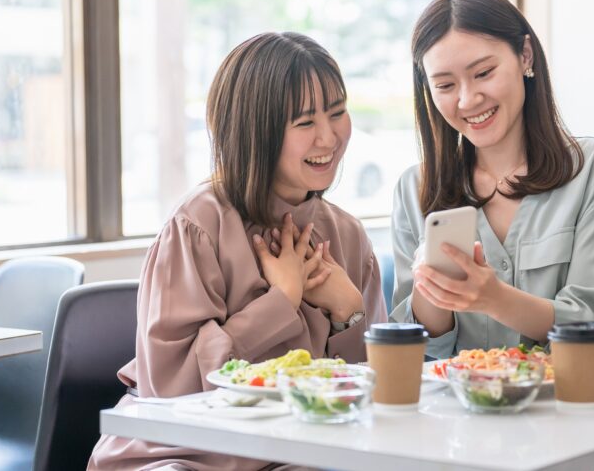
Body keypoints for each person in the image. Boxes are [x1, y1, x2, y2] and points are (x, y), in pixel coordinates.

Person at [390, 0, 594, 470]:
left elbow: (590, 327)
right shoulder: (416, 189)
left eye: (484, 72)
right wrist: (434, 292)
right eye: (445, 85)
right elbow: (425, 352)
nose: (468, 99)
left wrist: (493, 297)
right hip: (464, 440)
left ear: (526, 56)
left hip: (590, 433)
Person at [88, 32, 388, 470]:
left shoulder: (347, 235)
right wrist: (281, 301)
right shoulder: (197, 226)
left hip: (297, 452)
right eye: (305, 123)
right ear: (256, 131)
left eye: (338, 113)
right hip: (185, 453)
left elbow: (373, 395)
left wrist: (348, 311)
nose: (328, 137)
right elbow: (171, 391)